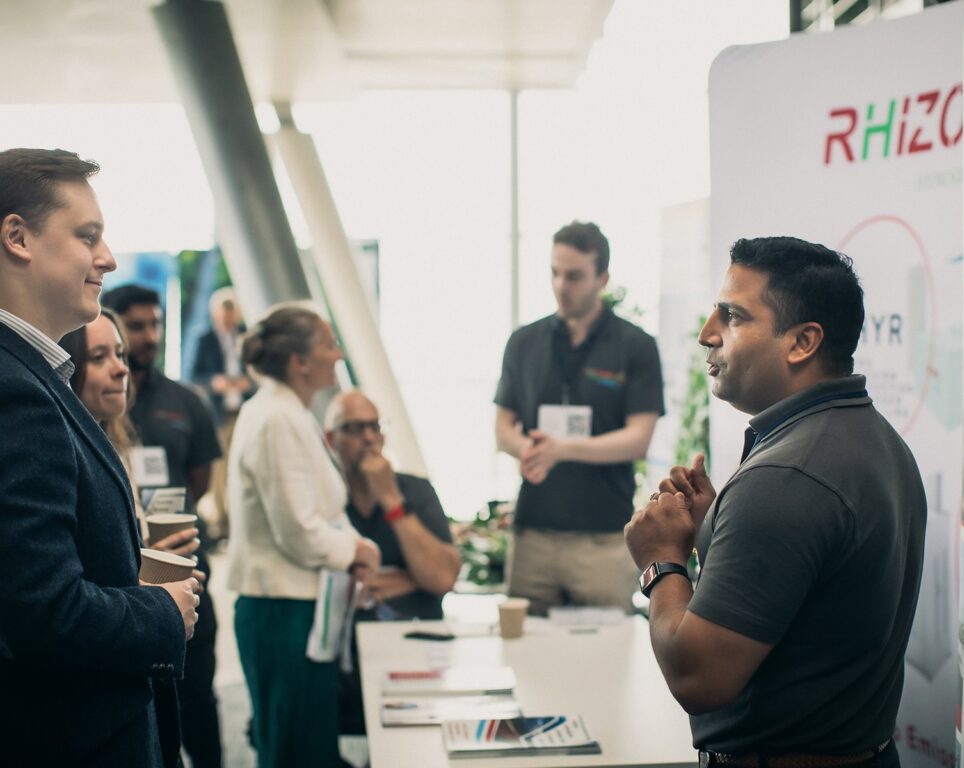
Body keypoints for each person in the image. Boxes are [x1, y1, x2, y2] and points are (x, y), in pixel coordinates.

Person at [624, 237, 926, 767]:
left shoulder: (788, 476)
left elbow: (699, 677)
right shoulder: (870, 437)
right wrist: (717, 532)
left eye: (734, 317)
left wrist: (660, 558)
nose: (706, 334)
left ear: (802, 342)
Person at [0, 147, 198, 767]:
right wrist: (162, 609)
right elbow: (43, 612)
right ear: (17, 238)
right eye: (89, 237)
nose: (107, 259)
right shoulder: (16, 391)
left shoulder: (35, 377)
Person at [227, 305, 381, 768]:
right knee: (294, 750)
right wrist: (358, 549)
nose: (337, 354)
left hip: (297, 606)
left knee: (310, 743)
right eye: (328, 345)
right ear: (299, 361)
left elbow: (322, 512)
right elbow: (297, 529)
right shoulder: (277, 417)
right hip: (280, 611)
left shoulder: (289, 411)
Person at [495, 220, 664, 615]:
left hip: (603, 541)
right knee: (528, 660)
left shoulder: (636, 345)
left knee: (603, 661)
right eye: (554, 273)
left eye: (574, 276)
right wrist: (530, 450)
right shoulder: (523, 343)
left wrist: (562, 450)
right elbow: (502, 429)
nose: (560, 286)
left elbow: (638, 438)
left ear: (602, 277)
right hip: (532, 536)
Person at [60, 308, 205, 768]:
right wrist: (155, 599)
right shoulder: (63, 451)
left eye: (118, 353)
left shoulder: (117, 448)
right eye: (100, 357)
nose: (121, 367)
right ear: (68, 366)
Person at [102, 284, 224, 768]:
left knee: (199, 697)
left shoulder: (185, 401)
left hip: (189, 570)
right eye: (136, 326)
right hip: (130, 583)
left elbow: (201, 478)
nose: (148, 336)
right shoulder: (100, 398)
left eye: (155, 324)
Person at [324, 390, 461, 734]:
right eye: (355, 428)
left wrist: (390, 498)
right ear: (330, 439)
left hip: (417, 644)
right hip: (342, 656)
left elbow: (442, 577)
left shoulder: (414, 490)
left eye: (375, 426)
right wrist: (410, 577)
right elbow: (333, 584)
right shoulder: (325, 498)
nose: (369, 438)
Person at [191, 286, 253, 540]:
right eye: (224, 312)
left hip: (243, 412)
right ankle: (221, 523)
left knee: (241, 468)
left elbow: (256, 371)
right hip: (219, 415)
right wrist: (215, 382)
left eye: (232, 311)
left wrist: (246, 382)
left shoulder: (245, 337)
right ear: (215, 313)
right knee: (219, 471)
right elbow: (194, 376)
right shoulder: (205, 340)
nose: (229, 317)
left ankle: (239, 521)